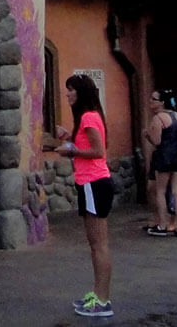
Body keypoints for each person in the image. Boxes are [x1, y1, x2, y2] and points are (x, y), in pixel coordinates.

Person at [55, 73, 114, 318]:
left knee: (98, 245)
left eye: (71, 90)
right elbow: (92, 145)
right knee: (96, 245)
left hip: (93, 183)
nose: (67, 93)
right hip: (92, 183)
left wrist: (71, 151)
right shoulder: (91, 116)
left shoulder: (88, 117)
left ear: (81, 92)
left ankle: (102, 300)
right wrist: (70, 139)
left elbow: (98, 151)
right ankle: (98, 294)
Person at [143, 88, 177, 237]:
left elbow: (156, 141)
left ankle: (162, 225)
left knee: (160, 191)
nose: (150, 101)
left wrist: (147, 135)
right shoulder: (176, 115)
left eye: (154, 99)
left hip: (164, 157)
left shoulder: (158, 118)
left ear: (162, 102)